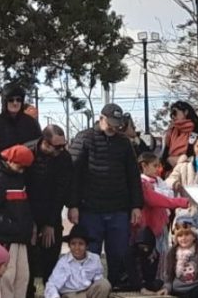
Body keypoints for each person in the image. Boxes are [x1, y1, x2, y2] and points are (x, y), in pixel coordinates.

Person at [68, 103, 144, 289]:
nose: (113, 127)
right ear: (101, 118)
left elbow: (133, 176)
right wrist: (73, 204)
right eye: (110, 122)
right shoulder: (85, 138)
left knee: (118, 251)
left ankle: (114, 284)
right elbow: (73, 174)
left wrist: (136, 205)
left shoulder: (124, 143)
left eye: (116, 124)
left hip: (118, 208)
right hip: (90, 208)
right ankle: (88, 286)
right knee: (91, 252)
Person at [25, 126, 73, 298]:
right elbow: (21, 189)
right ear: (45, 143)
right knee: (27, 262)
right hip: (27, 211)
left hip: (51, 209)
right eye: (57, 146)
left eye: (64, 145)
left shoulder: (64, 157)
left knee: (51, 256)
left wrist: (50, 224)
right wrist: (29, 222)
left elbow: (61, 191)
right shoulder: (27, 152)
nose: (61, 150)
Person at [0, 144, 36, 298]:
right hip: (6, 238)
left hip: (19, 237)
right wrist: (10, 226)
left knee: (22, 277)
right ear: (11, 161)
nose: (22, 170)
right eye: (20, 166)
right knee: (7, 277)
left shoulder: (18, 177)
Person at [135, 152, 189, 292]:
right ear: (144, 166)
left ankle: (162, 281)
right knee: (150, 256)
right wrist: (178, 202)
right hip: (148, 227)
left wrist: (166, 196)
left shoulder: (159, 181)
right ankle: (148, 283)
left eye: (159, 165)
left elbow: (167, 193)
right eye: (154, 165)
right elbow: (154, 199)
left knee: (163, 253)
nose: (158, 169)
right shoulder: (141, 182)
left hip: (161, 223)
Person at [44, 224, 111, 298]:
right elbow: (52, 285)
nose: (77, 248)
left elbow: (98, 278)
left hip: (88, 292)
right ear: (69, 246)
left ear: (87, 246)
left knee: (104, 284)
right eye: (73, 244)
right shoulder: (63, 263)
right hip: (71, 294)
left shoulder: (95, 259)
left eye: (81, 244)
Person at [160, 216, 198, 298]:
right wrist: (167, 288)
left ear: (194, 236)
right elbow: (168, 276)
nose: (183, 238)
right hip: (178, 290)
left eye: (187, 234)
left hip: (195, 289)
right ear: (176, 238)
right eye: (180, 235)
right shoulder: (171, 254)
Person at [0, 83, 42, 163]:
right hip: (3, 172)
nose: (15, 103)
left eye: (18, 100)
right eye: (11, 100)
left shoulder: (32, 124)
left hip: (29, 171)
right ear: (5, 101)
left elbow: (39, 150)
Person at [161, 101, 198, 170]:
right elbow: (164, 155)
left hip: (194, 169)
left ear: (186, 112)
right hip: (172, 170)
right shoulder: (171, 131)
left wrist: (183, 160)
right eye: (171, 114)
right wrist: (168, 161)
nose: (172, 116)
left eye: (175, 113)